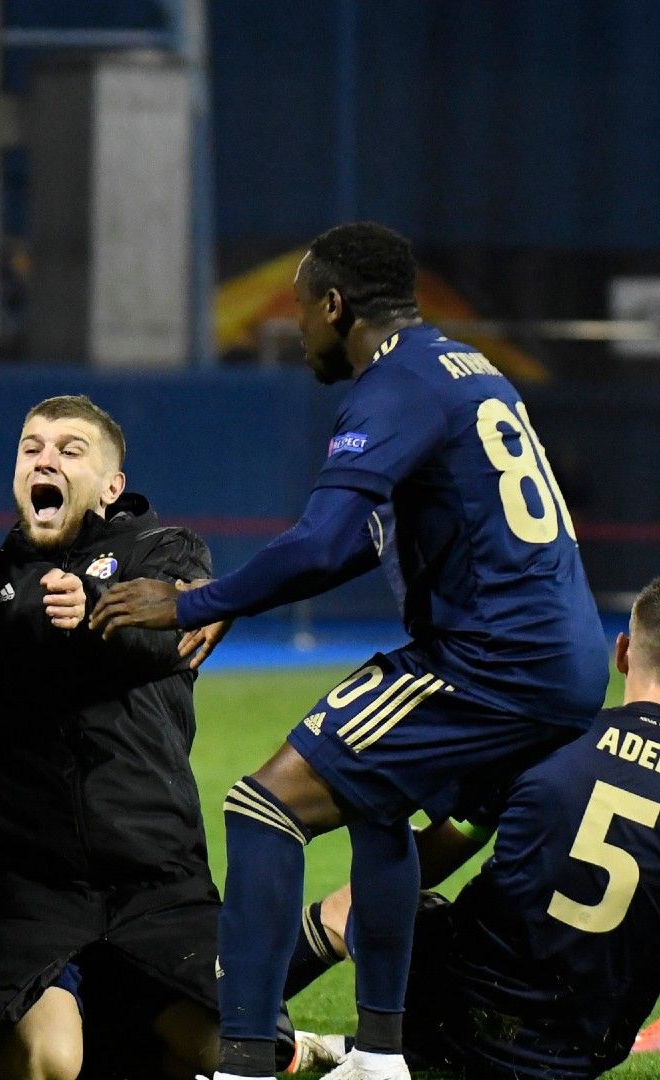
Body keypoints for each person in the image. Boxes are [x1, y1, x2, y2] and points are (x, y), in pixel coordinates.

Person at [92, 222, 608, 1080]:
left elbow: (325, 543)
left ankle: (246, 1059)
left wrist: (193, 600)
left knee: (265, 805)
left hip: (491, 663)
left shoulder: (392, 387)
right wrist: (244, 607)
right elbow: (366, 539)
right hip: (563, 657)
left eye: (300, 309)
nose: (295, 330)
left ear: (335, 306)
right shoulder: (463, 368)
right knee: (380, 810)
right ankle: (379, 1055)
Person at [0, 394, 251, 1080]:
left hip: (157, 877)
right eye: (31, 449)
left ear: (111, 487)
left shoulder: (161, 552)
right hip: (27, 889)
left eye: (70, 450)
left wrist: (98, 614)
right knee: (51, 1061)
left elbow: (175, 634)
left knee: (238, 1053)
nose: (45, 458)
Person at [282, 574, 660, 1080]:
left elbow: (434, 860)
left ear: (622, 652)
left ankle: (230, 1019)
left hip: (465, 1012)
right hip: (581, 1052)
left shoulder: (552, 737)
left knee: (361, 904)